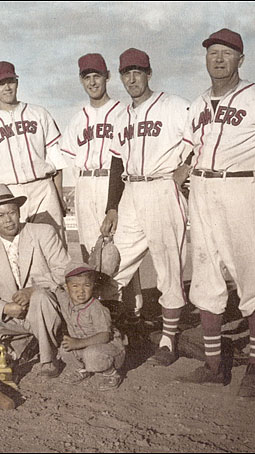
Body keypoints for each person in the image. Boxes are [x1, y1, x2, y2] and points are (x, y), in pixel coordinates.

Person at [178, 29, 255, 399]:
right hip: (204, 191)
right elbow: (187, 151)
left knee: (253, 279)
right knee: (206, 278)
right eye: (213, 52)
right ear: (206, 58)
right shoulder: (197, 104)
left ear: (240, 60)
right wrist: (184, 173)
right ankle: (214, 367)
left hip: (243, 189)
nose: (218, 59)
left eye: (227, 53)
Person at [100, 48, 191, 367]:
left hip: (163, 187)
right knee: (112, 264)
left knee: (169, 266)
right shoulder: (121, 116)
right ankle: (104, 330)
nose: (132, 78)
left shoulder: (175, 105)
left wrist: (187, 167)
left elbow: (204, 136)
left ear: (149, 73)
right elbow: (116, 161)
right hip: (131, 191)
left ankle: (168, 340)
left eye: (138, 71)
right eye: (126, 73)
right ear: (121, 76)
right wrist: (112, 207)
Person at [56, 53, 144, 311]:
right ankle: (96, 311)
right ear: (81, 81)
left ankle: (131, 310)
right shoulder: (77, 119)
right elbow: (70, 161)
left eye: (97, 76)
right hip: (85, 184)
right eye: (87, 77)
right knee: (89, 254)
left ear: (107, 77)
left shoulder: (123, 112)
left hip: (113, 181)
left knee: (117, 251)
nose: (93, 82)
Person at [0, 61, 70, 244]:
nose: (6, 87)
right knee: (17, 251)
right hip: (8, 193)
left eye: (10, 81)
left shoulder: (39, 114)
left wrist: (59, 196)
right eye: (0, 83)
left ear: (17, 82)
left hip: (43, 189)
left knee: (54, 246)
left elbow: (57, 162)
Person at [0, 184, 70, 377]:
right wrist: (4, 308)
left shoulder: (43, 232)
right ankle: (23, 347)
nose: (8, 220)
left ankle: (48, 359)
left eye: (11, 213)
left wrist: (32, 291)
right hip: (15, 317)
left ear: (19, 212)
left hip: (48, 311)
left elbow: (65, 271)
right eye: (0, 216)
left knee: (41, 297)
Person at [57, 265, 126, 391]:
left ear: (93, 287)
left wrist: (78, 343)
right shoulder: (65, 301)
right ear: (67, 288)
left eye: (86, 285)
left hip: (109, 349)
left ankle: (111, 373)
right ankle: (82, 370)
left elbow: (105, 336)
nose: (81, 291)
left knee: (92, 354)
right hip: (85, 346)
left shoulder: (96, 308)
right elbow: (54, 289)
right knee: (64, 349)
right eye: (75, 286)